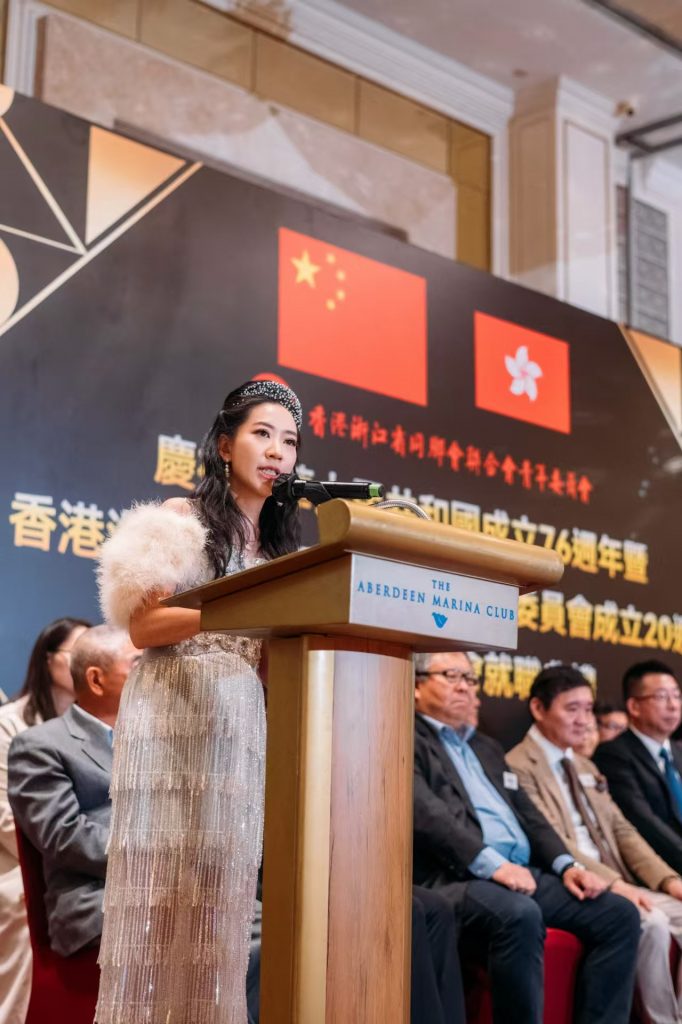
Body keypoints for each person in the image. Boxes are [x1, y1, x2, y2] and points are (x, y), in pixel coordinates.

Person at [94, 380, 302, 1024]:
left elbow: (268, 656)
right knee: (160, 898)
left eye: (289, 441)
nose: (277, 451)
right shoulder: (178, 518)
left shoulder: (280, 549)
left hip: (237, 719)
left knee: (220, 901)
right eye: (262, 434)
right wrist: (237, 608)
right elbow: (144, 627)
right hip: (172, 709)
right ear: (225, 445)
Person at [413, 649, 640, 1024]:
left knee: (618, 914)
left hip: (519, 871)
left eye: (469, 678)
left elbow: (530, 817)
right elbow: (428, 816)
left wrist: (567, 866)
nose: (464, 687)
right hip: (458, 876)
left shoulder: (485, 746)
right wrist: (493, 865)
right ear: (417, 687)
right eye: (451, 676)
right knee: (519, 914)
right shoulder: (408, 737)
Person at [509, 664, 682, 1024]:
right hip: (577, 880)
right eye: (572, 709)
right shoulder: (517, 765)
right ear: (539, 708)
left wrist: (668, 880)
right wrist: (615, 884)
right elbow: (552, 839)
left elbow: (623, 831)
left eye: (588, 709)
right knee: (651, 923)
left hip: (620, 877)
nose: (584, 720)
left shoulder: (585, 766)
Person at [7, 626, 139, 956]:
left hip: (171, 886)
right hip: (100, 898)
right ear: (95, 679)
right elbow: (65, 835)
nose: (153, 675)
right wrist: (154, 857)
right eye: (138, 664)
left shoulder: (151, 739)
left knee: (260, 922)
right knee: (250, 945)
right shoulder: (39, 745)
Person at [0, 616, 89, 1024]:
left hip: (77, 859)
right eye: (78, 652)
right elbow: (6, 817)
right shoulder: (10, 724)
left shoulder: (103, 724)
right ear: (48, 660)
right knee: (24, 905)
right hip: (20, 862)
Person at [594, 660, 682, 876]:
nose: (673, 705)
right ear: (634, 706)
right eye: (661, 697)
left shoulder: (678, 751)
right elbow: (644, 823)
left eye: (677, 696)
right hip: (658, 868)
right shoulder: (614, 755)